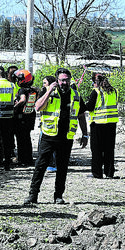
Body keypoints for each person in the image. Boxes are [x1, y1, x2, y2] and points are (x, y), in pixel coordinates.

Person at [24, 68, 89, 205]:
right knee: (40, 166)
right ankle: (33, 195)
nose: (64, 82)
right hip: (48, 136)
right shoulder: (48, 92)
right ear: (57, 80)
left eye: (67, 80)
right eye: (62, 80)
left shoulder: (75, 95)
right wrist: (48, 91)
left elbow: (81, 115)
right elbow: (38, 107)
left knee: (62, 168)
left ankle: (58, 196)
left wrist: (85, 134)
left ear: (70, 80)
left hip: (66, 137)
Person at [82, 72, 119, 179]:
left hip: (98, 124)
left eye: (93, 82)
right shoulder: (115, 91)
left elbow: (89, 107)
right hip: (112, 124)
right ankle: (109, 173)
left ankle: (97, 173)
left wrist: (82, 103)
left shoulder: (96, 92)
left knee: (97, 150)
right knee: (109, 149)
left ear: (96, 82)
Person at [0, 66, 17, 169]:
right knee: (7, 140)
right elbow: (15, 99)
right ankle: (6, 163)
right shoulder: (12, 85)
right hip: (9, 116)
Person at [12, 69, 37, 166]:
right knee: (27, 138)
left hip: (21, 117)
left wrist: (15, 107)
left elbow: (23, 100)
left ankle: (21, 159)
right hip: (30, 116)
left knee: (20, 139)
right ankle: (28, 158)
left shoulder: (22, 90)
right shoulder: (33, 90)